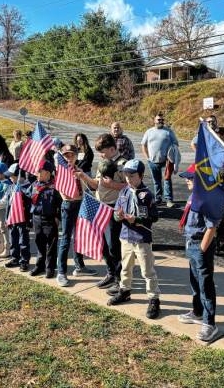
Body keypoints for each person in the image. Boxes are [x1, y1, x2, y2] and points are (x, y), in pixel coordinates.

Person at [107, 159, 161, 319]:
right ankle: (125, 290)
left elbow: (153, 217)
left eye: (132, 175)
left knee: (147, 270)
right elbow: (116, 211)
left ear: (141, 175)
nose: (129, 179)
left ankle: (154, 298)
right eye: (126, 175)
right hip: (125, 236)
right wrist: (118, 215)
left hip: (142, 238)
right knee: (126, 266)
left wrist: (136, 220)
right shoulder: (123, 192)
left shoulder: (147, 195)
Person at [77, 134, 127, 290]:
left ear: (113, 149)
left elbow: (130, 187)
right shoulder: (103, 163)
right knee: (103, 244)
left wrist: (113, 185)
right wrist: (83, 176)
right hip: (100, 207)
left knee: (114, 246)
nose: (101, 155)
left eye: (103, 152)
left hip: (114, 208)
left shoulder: (123, 164)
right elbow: (96, 185)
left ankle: (120, 279)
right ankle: (110, 273)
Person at [177, 163, 221, 342]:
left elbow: (212, 227)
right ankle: (197, 311)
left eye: (191, 178)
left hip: (200, 244)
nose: (187, 180)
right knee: (195, 280)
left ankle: (209, 323)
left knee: (205, 284)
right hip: (191, 242)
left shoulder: (206, 200)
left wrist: (202, 249)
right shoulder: (194, 196)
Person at [56, 144, 97, 287]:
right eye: (66, 155)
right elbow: (65, 193)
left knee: (79, 237)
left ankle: (79, 266)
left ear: (76, 156)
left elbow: (92, 186)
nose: (69, 157)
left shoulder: (78, 170)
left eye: (72, 155)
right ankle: (61, 272)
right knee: (66, 238)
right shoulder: (61, 172)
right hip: (69, 206)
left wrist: (82, 175)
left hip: (81, 204)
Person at [28, 161, 62, 278]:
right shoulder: (34, 185)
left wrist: (58, 218)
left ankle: (50, 267)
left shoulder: (56, 186)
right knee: (39, 242)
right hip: (36, 217)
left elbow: (60, 204)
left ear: (47, 172)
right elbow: (28, 198)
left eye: (39, 171)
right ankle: (39, 265)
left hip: (50, 219)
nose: (36, 173)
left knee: (51, 245)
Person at [141, 113, 179, 207]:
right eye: (159, 120)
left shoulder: (168, 132)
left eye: (162, 120)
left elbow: (175, 144)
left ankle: (169, 200)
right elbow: (143, 145)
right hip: (153, 161)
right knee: (156, 181)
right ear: (154, 120)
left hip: (166, 161)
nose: (161, 121)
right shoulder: (149, 132)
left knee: (167, 180)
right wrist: (147, 157)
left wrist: (172, 156)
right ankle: (158, 199)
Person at [4, 163, 31, 271]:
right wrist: (7, 217)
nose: (9, 177)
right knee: (13, 239)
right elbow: (8, 203)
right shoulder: (11, 187)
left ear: (19, 176)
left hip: (22, 219)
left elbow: (29, 205)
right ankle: (15, 257)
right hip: (12, 218)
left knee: (23, 240)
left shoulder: (27, 187)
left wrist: (29, 220)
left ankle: (24, 261)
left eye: (11, 175)